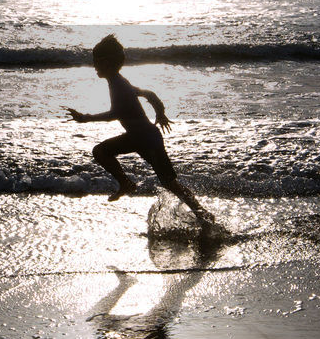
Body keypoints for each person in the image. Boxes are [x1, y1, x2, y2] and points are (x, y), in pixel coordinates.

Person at [66, 35, 220, 234]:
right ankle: (127, 184)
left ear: (107, 62)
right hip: (140, 138)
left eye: (97, 61)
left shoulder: (118, 84)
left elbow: (115, 114)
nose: (94, 65)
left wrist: (85, 118)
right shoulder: (119, 81)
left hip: (146, 139)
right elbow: (150, 94)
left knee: (168, 182)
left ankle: (201, 213)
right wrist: (160, 113)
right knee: (102, 152)